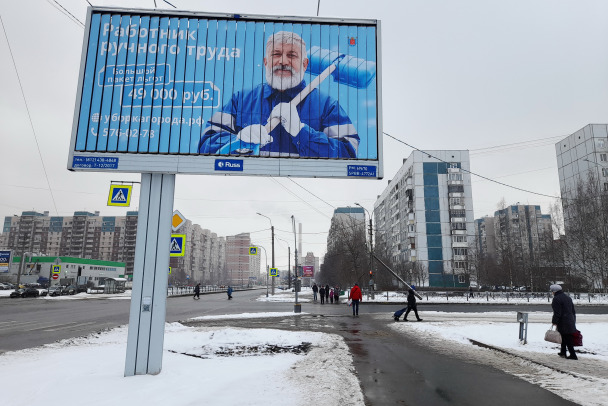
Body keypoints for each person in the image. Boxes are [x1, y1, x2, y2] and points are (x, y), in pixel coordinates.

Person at [198, 31, 359, 158]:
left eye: (291, 55)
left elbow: (349, 152)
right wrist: (239, 140)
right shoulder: (240, 100)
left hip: (307, 191)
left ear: (305, 64)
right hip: (246, 189)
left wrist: (302, 132)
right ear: (266, 61)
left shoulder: (327, 106)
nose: (283, 61)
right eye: (276, 54)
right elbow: (206, 145)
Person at [551, 284, 577, 360]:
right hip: (569, 319)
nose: (551, 293)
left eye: (552, 291)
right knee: (564, 336)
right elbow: (572, 310)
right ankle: (563, 352)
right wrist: (573, 319)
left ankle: (573, 355)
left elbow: (557, 312)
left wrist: (554, 321)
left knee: (567, 338)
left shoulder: (556, 299)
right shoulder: (567, 298)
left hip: (563, 321)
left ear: (554, 291)